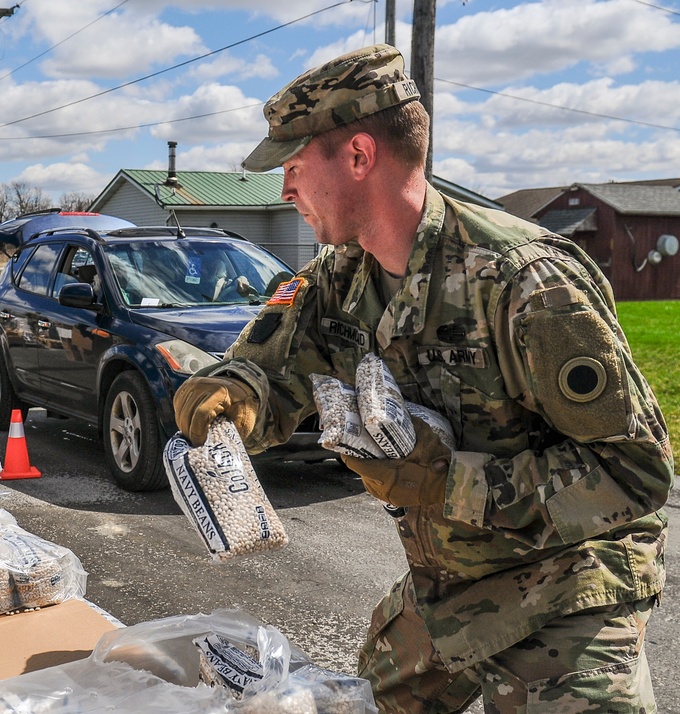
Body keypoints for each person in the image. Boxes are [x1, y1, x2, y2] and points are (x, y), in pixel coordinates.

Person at [173, 45, 673, 712]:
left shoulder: (522, 280)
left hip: (569, 590)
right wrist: (232, 392)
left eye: (292, 167)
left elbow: (635, 474)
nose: (284, 188)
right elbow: (270, 372)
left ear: (358, 156)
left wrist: (449, 483)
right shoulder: (336, 278)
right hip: (452, 587)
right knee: (355, 704)